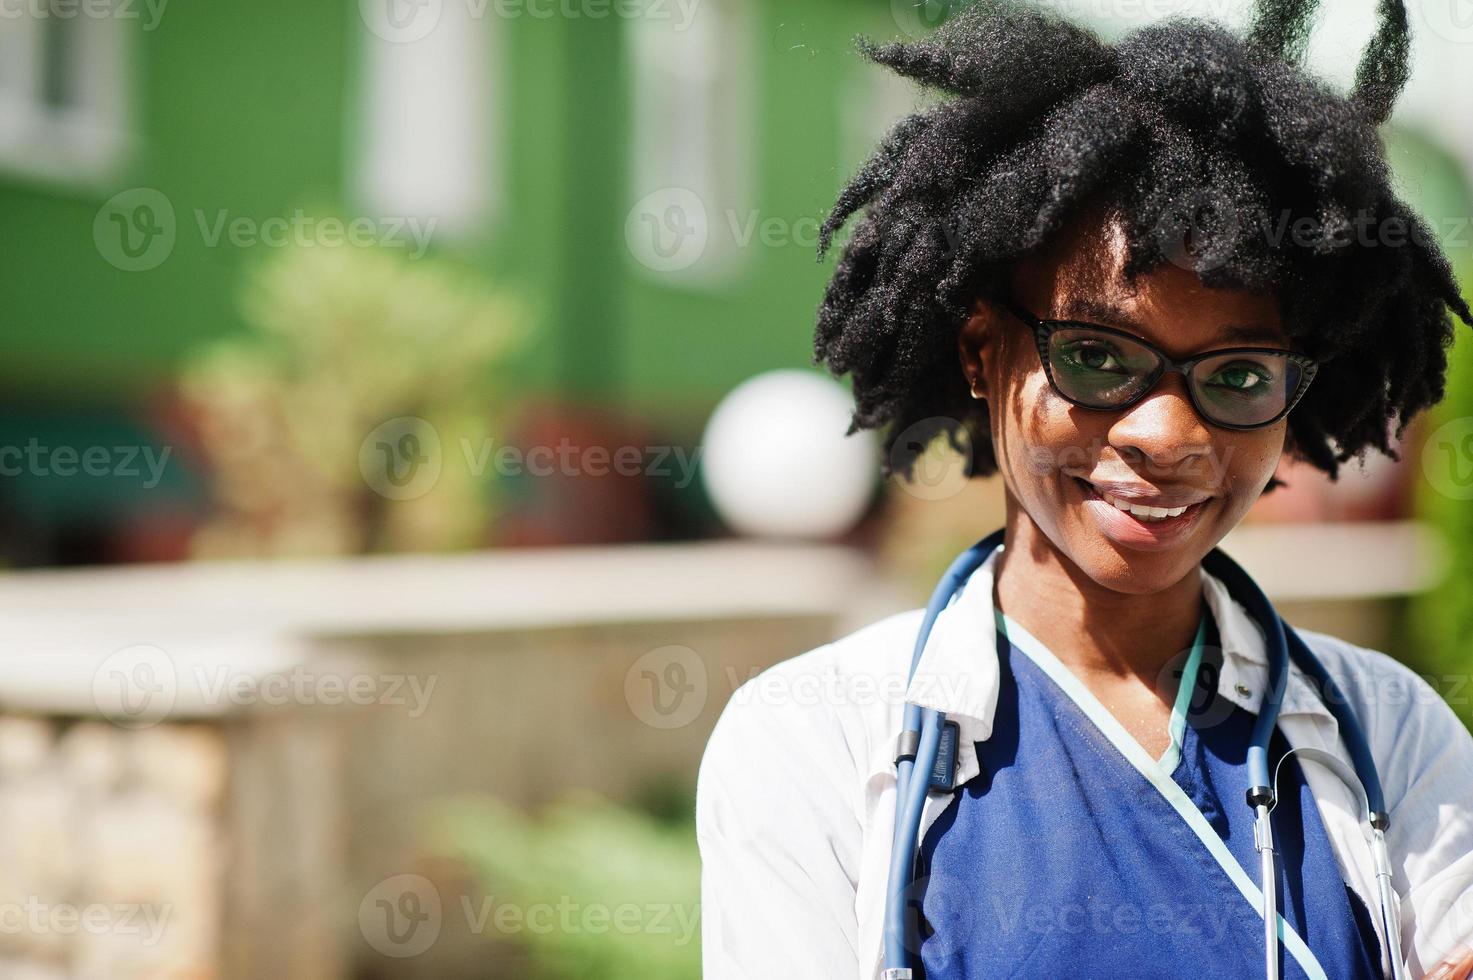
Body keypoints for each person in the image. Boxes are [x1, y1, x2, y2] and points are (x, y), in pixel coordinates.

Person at [695, 1, 1473, 977]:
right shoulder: (814, 736)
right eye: (1099, 356)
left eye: (1236, 375)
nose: (1168, 433)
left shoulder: (1392, 733)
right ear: (983, 350)